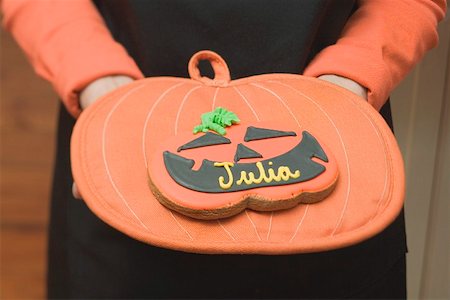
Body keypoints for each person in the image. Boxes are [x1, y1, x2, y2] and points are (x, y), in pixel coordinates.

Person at [2, 0, 446, 298]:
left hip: (333, 157)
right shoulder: (119, 121)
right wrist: (97, 80)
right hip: (124, 151)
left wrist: (352, 79)